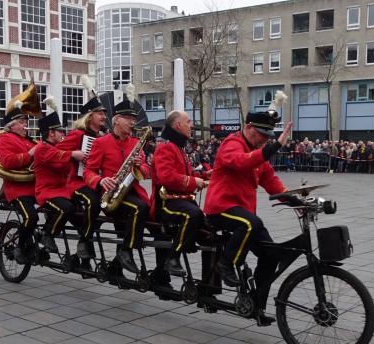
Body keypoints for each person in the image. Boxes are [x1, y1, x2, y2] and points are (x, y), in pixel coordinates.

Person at [203, 102, 296, 326]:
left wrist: (294, 200)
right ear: (249, 127)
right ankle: (226, 264)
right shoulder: (232, 143)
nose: (266, 138)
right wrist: (271, 148)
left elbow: (270, 180)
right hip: (220, 209)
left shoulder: (257, 152)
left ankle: (256, 305)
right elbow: (241, 162)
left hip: (244, 214)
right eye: (263, 133)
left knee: (271, 254)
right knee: (250, 223)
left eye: (268, 135)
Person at [83, 89, 150, 273]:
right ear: (117, 120)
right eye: (128, 118)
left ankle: (118, 263)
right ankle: (126, 252)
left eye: (134, 118)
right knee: (139, 208)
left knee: (142, 209)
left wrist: (139, 166)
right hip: (111, 194)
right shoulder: (101, 142)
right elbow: (88, 171)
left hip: (131, 191)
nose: (133, 122)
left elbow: (145, 171)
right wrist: (100, 179)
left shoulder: (136, 143)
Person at [33, 99, 96, 256]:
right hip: (47, 191)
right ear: (50, 133)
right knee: (66, 209)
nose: (63, 134)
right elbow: (54, 156)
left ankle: (83, 255)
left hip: (63, 191)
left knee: (83, 217)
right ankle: (47, 234)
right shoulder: (41, 148)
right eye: (60, 131)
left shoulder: (56, 147)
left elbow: (62, 156)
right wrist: (73, 154)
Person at [151, 110, 209, 276]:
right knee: (194, 214)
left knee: (210, 231)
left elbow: (186, 175)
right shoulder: (165, 147)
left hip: (180, 201)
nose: (191, 125)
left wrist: (205, 175)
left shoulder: (177, 147)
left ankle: (208, 288)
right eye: (188, 122)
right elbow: (166, 178)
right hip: (166, 203)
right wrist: (193, 182)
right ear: (178, 125)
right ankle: (173, 257)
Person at [57, 78, 107, 259]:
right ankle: (84, 241)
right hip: (76, 183)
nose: (104, 117)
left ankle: (86, 239)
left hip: (92, 181)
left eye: (104, 114)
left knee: (105, 204)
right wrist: (73, 154)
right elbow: (55, 152)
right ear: (89, 116)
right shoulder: (78, 134)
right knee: (93, 202)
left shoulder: (101, 137)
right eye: (100, 113)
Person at [0, 94, 39, 264]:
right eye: (22, 122)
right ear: (11, 125)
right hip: (18, 188)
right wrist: (29, 155)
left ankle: (44, 238)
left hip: (36, 185)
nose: (25, 125)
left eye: (25, 122)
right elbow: (7, 162)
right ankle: (21, 247)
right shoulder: (4, 139)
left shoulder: (28, 140)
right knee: (31, 217)